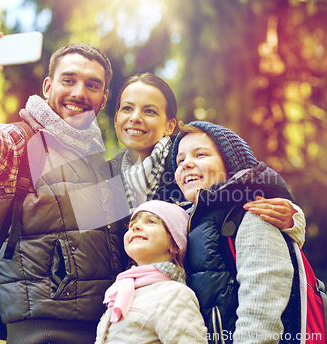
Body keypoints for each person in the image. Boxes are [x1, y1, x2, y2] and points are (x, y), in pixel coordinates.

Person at [0, 32, 127, 343]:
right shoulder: (24, 142)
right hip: (42, 333)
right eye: (69, 80)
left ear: (103, 97)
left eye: (92, 85)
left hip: (102, 332)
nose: (79, 92)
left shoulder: (100, 164)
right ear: (48, 87)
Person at [109, 73, 305, 245]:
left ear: (169, 126)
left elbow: (250, 181)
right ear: (116, 117)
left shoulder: (185, 167)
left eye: (149, 111)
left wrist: (294, 219)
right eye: (127, 108)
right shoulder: (105, 175)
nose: (135, 118)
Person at [172, 121, 303, 343]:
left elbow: (261, 311)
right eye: (180, 160)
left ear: (231, 164)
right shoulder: (183, 222)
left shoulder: (252, 215)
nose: (186, 164)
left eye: (200, 155)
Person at [95, 200, 208, 344]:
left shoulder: (174, 294)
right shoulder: (122, 289)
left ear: (175, 244)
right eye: (131, 225)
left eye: (150, 221)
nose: (136, 226)